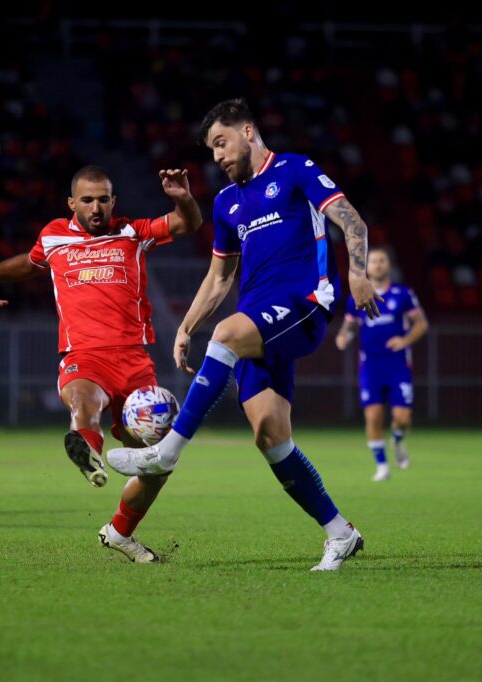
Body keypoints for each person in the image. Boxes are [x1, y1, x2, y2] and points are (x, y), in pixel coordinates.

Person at [107, 98, 383, 571]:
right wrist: (187, 327)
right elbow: (219, 278)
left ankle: (166, 453)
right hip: (259, 320)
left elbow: (350, 219)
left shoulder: (295, 169)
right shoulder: (226, 202)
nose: (216, 156)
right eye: (211, 149)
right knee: (271, 437)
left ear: (249, 131)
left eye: (221, 142)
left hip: (305, 304)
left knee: (229, 331)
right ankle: (341, 533)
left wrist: (358, 271)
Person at [0, 165, 202, 563]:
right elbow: (30, 263)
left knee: (158, 463)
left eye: (102, 199)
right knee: (83, 402)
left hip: (135, 361)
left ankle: (119, 532)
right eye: (87, 200)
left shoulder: (133, 232)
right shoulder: (54, 235)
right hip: (84, 356)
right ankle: (89, 454)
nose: (95, 208)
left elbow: (188, 224)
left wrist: (182, 195)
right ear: (71, 203)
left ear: (114, 201)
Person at [336, 247, 429, 481]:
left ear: (388, 265)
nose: (377, 264)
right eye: (373, 261)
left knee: (402, 419)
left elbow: (421, 324)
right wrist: (343, 336)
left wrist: (405, 340)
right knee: (373, 417)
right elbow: (349, 325)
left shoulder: (403, 293)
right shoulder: (357, 295)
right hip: (370, 367)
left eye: (382, 261)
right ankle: (382, 467)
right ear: (366, 267)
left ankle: (397, 441)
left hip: (398, 365)